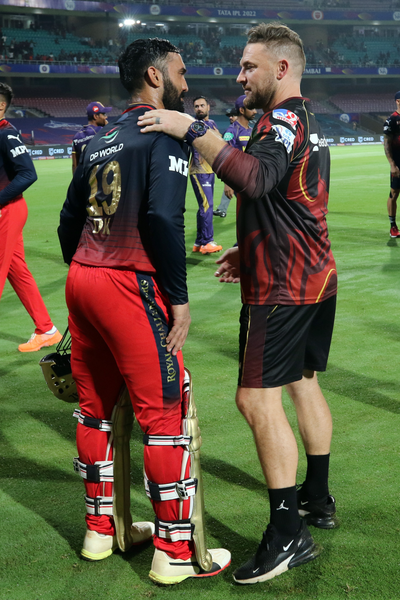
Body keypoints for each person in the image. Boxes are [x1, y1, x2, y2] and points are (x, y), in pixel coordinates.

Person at [138, 21, 338, 585]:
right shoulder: (305, 119)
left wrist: (191, 128)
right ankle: (316, 498)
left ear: (281, 68)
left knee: (254, 401)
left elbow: (254, 178)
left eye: (249, 66)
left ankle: (287, 534)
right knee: (302, 383)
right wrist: (248, 246)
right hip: (313, 272)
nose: (239, 75)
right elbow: (289, 198)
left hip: (283, 285)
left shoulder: (281, 119)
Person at [58, 38, 230, 585]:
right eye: (180, 71)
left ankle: (100, 531)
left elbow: (67, 220)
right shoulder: (165, 134)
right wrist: (178, 298)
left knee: (94, 409)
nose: (186, 82)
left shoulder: (98, 138)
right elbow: (161, 218)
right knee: (164, 414)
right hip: (127, 284)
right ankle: (174, 552)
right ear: (155, 76)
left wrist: (88, 265)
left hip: (83, 278)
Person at [0, 82, 62, 352]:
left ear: (1, 105)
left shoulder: (6, 134)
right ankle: (47, 329)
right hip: (7, 210)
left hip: (7, 210)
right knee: (18, 272)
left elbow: (28, 173)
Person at [214, 94, 257, 218]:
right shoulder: (232, 131)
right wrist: (228, 183)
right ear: (242, 110)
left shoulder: (252, 130)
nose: (255, 111)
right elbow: (225, 156)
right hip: (239, 178)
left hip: (252, 177)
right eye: (251, 108)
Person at [190, 96, 222, 254]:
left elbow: (220, 141)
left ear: (208, 107)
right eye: (196, 106)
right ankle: (207, 242)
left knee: (204, 206)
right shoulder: (194, 125)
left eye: (202, 105)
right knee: (207, 205)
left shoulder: (212, 123)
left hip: (209, 170)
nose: (199, 108)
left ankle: (199, 242)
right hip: (199, 170)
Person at [71, 101, 112, 173]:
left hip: (84, 177)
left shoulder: (77, 136)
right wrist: (108, 128)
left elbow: (75, 165)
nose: (106, 117)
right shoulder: (102, 131)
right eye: (103, 114)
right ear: (95, 116)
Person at [383, 91, 400, 238]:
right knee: (394, 194)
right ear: (398, 101)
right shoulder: (392, 120)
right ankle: (393, 226)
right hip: (398, 163)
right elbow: (387, 143)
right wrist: (392, 164)